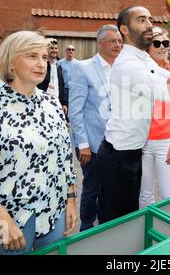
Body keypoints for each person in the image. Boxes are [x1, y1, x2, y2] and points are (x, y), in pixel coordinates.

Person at [0, 31, 77, 255]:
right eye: (32, 56)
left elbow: (65, 159)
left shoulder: (52, 105)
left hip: (53, 210)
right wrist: (3, 219)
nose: (41, 63)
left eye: (44, 57)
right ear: (11, 62)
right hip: (12, 217)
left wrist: (70, 200)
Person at [96, 5, 170, 223]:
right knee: (118, 224)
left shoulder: (141, 59)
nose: (149, 24)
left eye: (149, 19)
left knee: (129, 216)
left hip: (130, 152)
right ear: (124, 30)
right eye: (141, 20)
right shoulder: (128, 64)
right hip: (118, 157)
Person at [68, 25, 123, 231]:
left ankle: (105, 227)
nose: (117, 45)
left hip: (116, 143)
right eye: (112, 41)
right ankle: (86, 226)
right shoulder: (83, 68)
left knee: (110, 188)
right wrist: (82, 144)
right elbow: (75, 110)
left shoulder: (123, 67)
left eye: (119, 41)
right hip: (91, 144)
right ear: (100, 43)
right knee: (92, 187)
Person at [139, 29, 170, 208]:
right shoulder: (139, 72)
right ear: (147, 48)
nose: (162, 47)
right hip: (141, 141)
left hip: (166, 142)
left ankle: (166, 234)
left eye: (165, 43)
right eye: (157, 43)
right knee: (144, 195)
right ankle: (145, 233)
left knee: (169, 195)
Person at [37, 39, 67, 115]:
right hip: (42, 101)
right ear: (46, 50)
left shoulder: (58, 65)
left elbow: (61, 85)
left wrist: (63, 103)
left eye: (56, 48)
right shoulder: (41, 65)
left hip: (56, 102)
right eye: (52, 48)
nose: (54, 50)